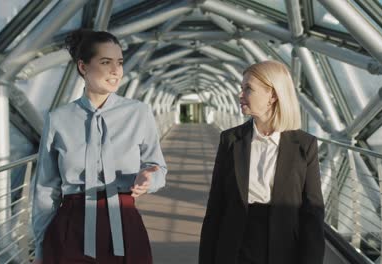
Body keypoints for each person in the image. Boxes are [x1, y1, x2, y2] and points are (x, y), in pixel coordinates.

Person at [31, 29, 167, 264]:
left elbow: (158, 168)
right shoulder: (59, 118)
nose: (116, 71)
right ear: (83, 67)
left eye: (120, 62)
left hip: (125, 224)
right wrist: (41, 247)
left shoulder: (139, 113)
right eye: (106, 62)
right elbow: (45, 188)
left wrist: (149, 179)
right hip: (70, 228)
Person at [199, 60, 325, 264]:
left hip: (284, 249)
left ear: (273, 96)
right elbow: (215, 207)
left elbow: (313, 214)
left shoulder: (304, 145)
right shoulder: (230, 140)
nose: (240, 95)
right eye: (241, 88)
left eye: (248, 89)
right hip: (234, 246)